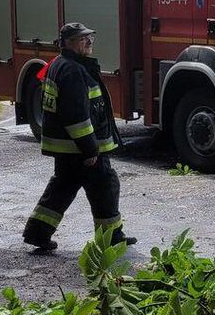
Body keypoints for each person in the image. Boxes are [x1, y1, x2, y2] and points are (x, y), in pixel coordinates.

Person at [22, 22, 135, 252]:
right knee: (105, 186)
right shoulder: (73, 70)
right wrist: (90, 149)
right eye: (83, 39)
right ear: (69, 43)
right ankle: (111, 237)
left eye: (89, 37)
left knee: (62, 188)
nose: (89, 41)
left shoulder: (59, 65)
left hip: (68, 148)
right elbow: (76, 115)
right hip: (80, 148)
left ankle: (37, 232)